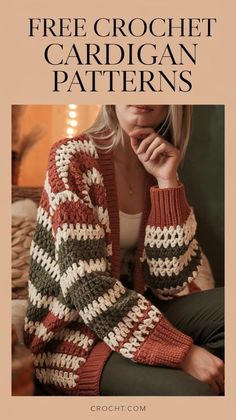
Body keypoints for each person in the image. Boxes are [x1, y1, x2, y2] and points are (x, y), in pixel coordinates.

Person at [24, 105, 224, 396]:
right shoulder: (72, 157)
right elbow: (86, 283)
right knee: (194, 393)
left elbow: (170, 282)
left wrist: (167, 181)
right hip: (73, 339)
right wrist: (183, 353)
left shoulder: (158, 161)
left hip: (137, 315)